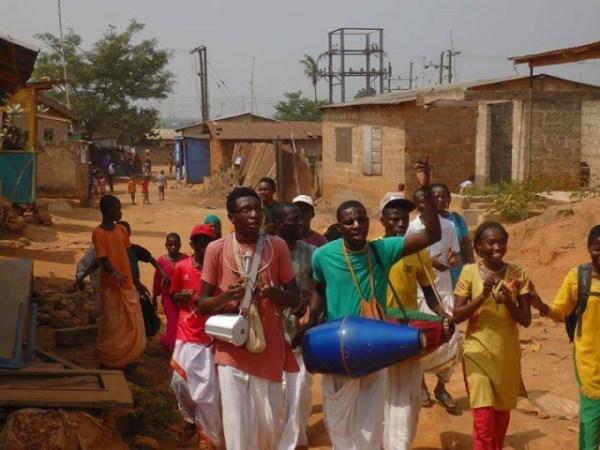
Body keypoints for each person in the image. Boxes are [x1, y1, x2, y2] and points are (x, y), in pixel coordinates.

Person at [310, 157, 441, 450]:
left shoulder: (384, 249)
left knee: (370, 421)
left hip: (373, 344)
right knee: (340, 420)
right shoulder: (323, 255)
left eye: (361, 219)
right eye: (349, 222)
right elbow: (317, 288)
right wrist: (311, 321)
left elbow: (433, 234)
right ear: (339, 226)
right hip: (337, 344)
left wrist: (425, 190)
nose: (357, 226)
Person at [197, 187, 301, 450]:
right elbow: (203, 304)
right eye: (246, 210)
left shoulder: (276, 247)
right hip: (231, 350)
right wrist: (227, 297)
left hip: (269, 347)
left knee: (270, 423)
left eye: (257, 209)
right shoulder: (216, 249)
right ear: (232, 217)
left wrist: (273, 293)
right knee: (236, 424)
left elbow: (295, 297)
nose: (254, 215)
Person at [453, 221, 531, 450]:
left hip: (506, 355)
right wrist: (482, 296)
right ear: (478, 246)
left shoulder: (518, 274)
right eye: (491, 243)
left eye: (501, 242)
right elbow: (456, 315)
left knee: (500, 418)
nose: (497, 247)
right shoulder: (469, 273)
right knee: (484, 419)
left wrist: (508, 302)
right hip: (477, 353)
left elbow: (526, 319)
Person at [379, 191, 443, 449]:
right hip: (379, 330)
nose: (400, 224)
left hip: (407, 333)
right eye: (394, 219)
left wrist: (443, 316)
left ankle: (400, 443)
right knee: (379, 392)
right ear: (382, 220)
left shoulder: (419, 253)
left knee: (407, 396)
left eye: (404, 219)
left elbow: (429, 292)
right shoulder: (373, 250)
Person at [529, 225, 600, 450]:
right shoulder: (578, 277)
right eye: (598, 248)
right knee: (592, 416)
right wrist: (541, 305)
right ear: (589, 248)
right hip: (590, 360)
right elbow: (560, 311)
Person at [408, 188, 461, 412]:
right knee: (421, 339)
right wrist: (429, 262)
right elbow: (407, 256)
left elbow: (453, 255)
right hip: (421, 292)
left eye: (441, 197)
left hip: (444, 289)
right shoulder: (412, 228)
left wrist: (452, 261)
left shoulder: (449, 227)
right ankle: (421, 385)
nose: (437, 201)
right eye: (431, 198)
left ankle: (441, 386)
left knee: (451, 340)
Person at [270, 201, 319, 448]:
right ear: (278, 224)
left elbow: (318, 288)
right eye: (294, 220)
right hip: (270, 333)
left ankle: (297, 439)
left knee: (301, 389)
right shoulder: (264, 252)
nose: (301, 223)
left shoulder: (311, 253)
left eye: (301, 218)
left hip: (300, 332)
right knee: (277, 391)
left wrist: (310, 315)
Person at [169, 224, 222, 447]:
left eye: (206, 242)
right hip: (186, 333)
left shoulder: (219, 269)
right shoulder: (181, 267)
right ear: (191, 244)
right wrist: (182, 296)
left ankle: (208, 436)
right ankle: (190, 419)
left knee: (207, 391)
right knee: (179, 383)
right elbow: (173, 293)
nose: (202, 246)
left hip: (210, 336)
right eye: (198, 241)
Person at [91, 195, 146, 369]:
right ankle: (110, 360)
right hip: (110, 287)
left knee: (130, 325)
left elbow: (128, 258)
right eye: (118, 209)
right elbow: (102, 258)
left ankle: (126, 359)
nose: (121, 212)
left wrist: (136, 281)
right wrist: (114, 272)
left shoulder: (122, 230)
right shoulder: (98, 233)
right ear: (108, 210)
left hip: (127, 284)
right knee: (113, 325)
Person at [431, 182, 475, 287]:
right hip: (433, 273)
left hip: (456, 272)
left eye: (443, 197)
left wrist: (473, 269)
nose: (440, 200)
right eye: (436, 197)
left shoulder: (457, 219)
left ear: (448, 199)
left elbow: (466, 244)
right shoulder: (424, 222)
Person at [153, 233, 187, 353]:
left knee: (181, 320)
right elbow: (157, 279)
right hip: (167, 297)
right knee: (172, 319)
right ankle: (170, 345)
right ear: (166, 245)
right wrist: (155, 296)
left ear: (180, 245)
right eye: (171, 245)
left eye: (176, 245)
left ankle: (173, 342)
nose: (173, 247)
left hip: (182, 296)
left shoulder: (186, 259)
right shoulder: (161, 261)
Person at [74, 245, 101, 320]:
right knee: (100, 308)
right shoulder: (95, 249)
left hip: (118, 286)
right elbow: (83, 265)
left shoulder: (122, 247)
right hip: (99, 285)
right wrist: (80, 278)